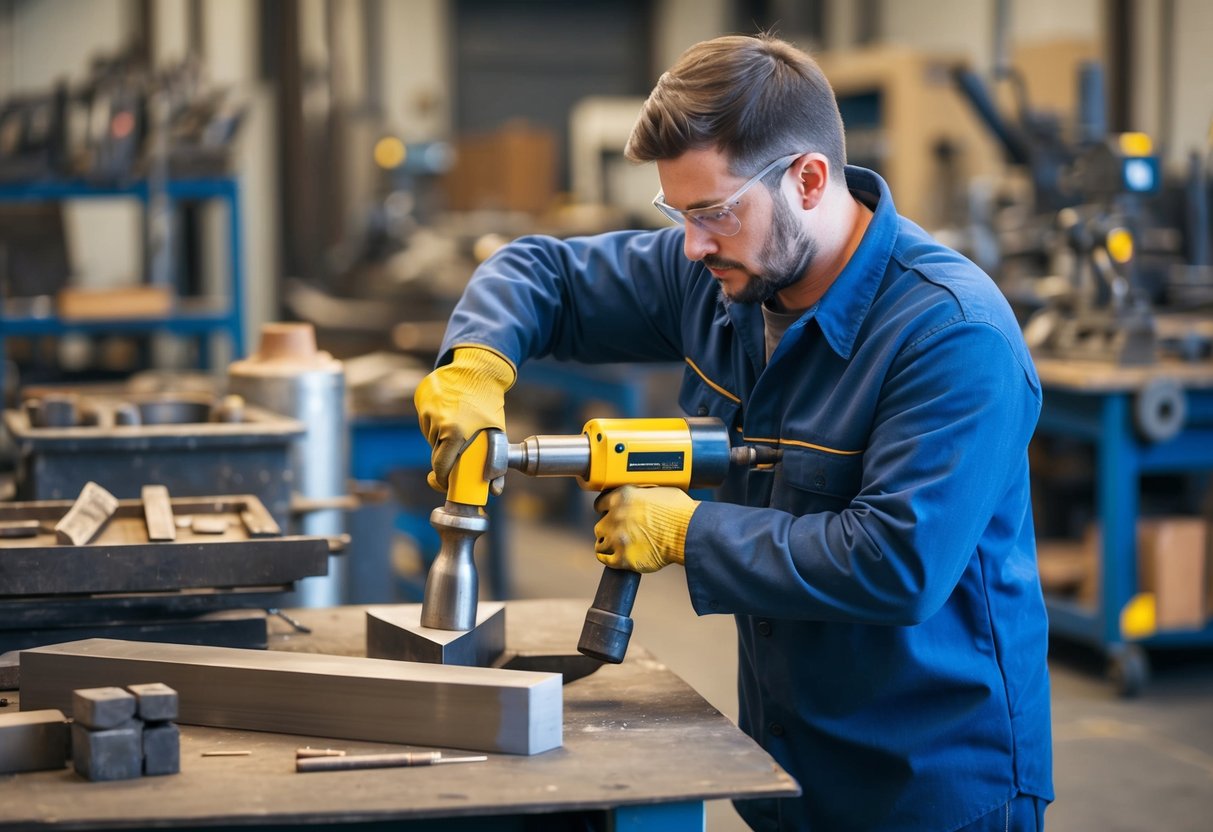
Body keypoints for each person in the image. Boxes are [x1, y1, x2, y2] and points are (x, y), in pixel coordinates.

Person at [415, 34, 1053, 832]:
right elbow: (540, 275)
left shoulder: (952, 336)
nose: (692, 245)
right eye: (676, 213)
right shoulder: (721, 275)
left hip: (928, 782)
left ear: (808, 179)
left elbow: (899, 564)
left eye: (713, 211)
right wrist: (476, 361)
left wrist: (687, 530)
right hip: (784, 760)